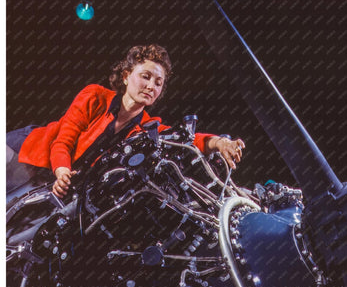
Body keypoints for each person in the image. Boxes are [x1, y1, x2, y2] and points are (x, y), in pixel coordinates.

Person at [9, 44, 244, 199]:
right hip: (28, 154)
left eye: (158, 83)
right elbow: (63, 141)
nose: (151, 86)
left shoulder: (147, 127)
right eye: (146, 76)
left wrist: (219, 143)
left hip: (57, 182)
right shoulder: (95, 96)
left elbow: (184, 137)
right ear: (126, 76)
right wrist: (62, 171)